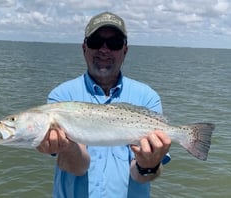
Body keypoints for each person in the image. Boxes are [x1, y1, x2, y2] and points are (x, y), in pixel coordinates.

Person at [37, 11, 171, 198]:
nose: (104, 50)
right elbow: (78, 167)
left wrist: (148, 164)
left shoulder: (147, 97)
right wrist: (68, 147)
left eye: (114, 43)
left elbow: (139, 176)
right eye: (95, 42)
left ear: (125, 50)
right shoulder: (61, 97)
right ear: (84, 48)